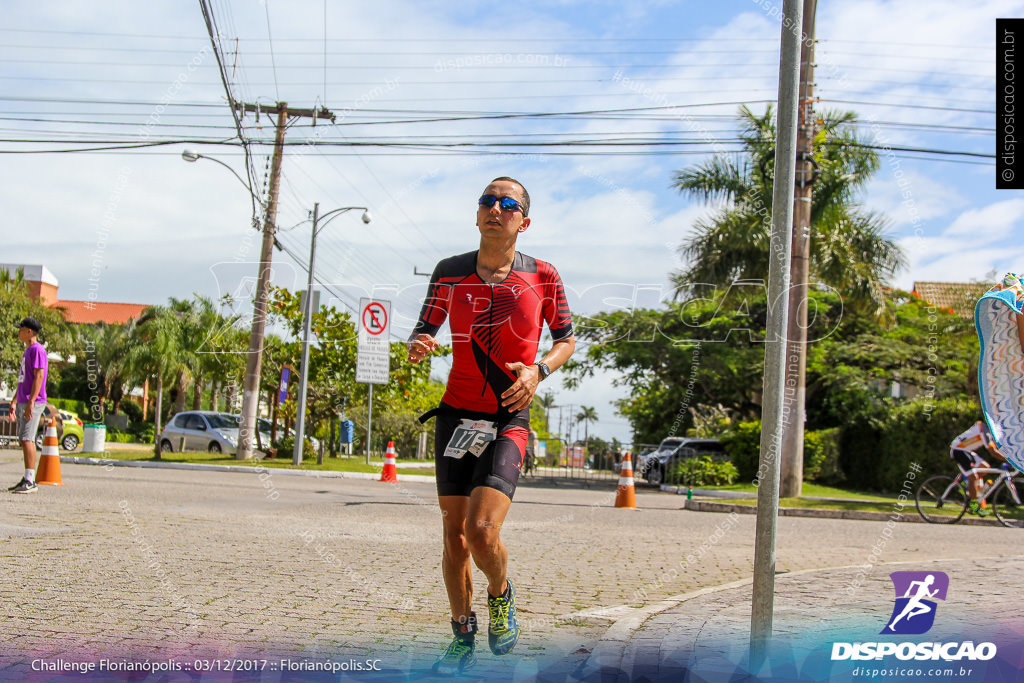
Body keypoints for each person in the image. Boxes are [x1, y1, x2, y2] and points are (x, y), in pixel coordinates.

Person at [408, 177, 575, 673]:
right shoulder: (450, 272)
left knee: (482, 532)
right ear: (477, 213)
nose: (495, 209)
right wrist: (420, 344)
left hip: (508, 417)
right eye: (487, 201)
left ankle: (500, 594)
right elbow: (426, 325)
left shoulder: (544, 275)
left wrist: (539, 370)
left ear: (524, 221)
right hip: (457, 415)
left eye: (507, 204)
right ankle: (462, 634)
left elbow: (567, 338)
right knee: (454, 537)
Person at [8, 317, 49, 494]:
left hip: (34, 400)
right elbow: (24, 379)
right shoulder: (28, 351)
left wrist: (31, 401)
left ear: (29, 331)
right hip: (24, 399)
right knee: (23, 439)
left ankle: (30, 480)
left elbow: (39, 376)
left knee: (27, 439)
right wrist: (15, 400)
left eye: (21, 329)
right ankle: (26, 478)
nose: (19, 332)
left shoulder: (37, 350)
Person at [949, 420, 1008, 513]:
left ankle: (966, 485)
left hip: (966, 450)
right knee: (973, 477)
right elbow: (993, 452)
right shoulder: (985, 431)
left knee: (985, 467)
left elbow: (997, 448)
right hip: (959, 450)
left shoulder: (988, 430)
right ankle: (973, 506)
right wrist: (1009, 460)